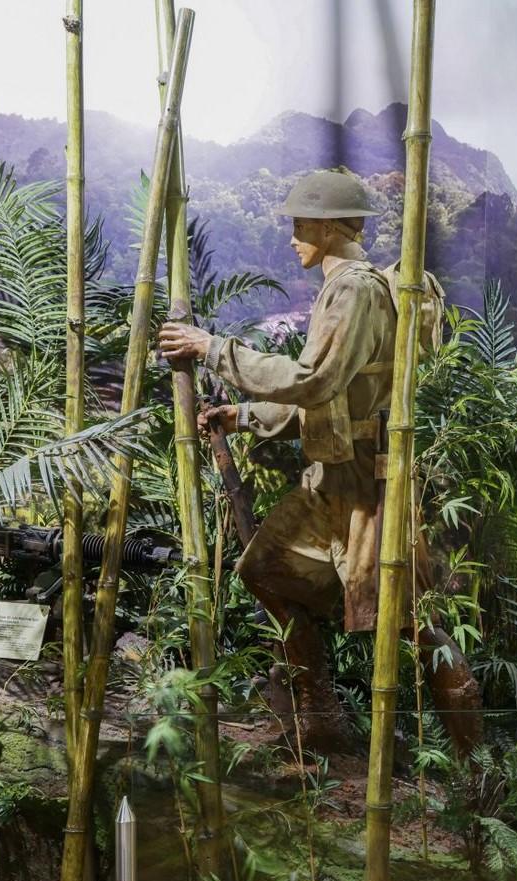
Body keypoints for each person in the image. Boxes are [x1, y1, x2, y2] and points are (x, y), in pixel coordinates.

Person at [156, 169, 480, 751]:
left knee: (412, 622)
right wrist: (245, 417)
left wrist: (210, 348)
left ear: (330, 228)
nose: (293, 237)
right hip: (331, 479)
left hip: (368, 486)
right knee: (264, 571)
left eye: (301, 224)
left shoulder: (354, 289)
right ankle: (321, 714)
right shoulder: (354, 286)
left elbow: (314, 379)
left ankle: (480, 769)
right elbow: (332, 397)